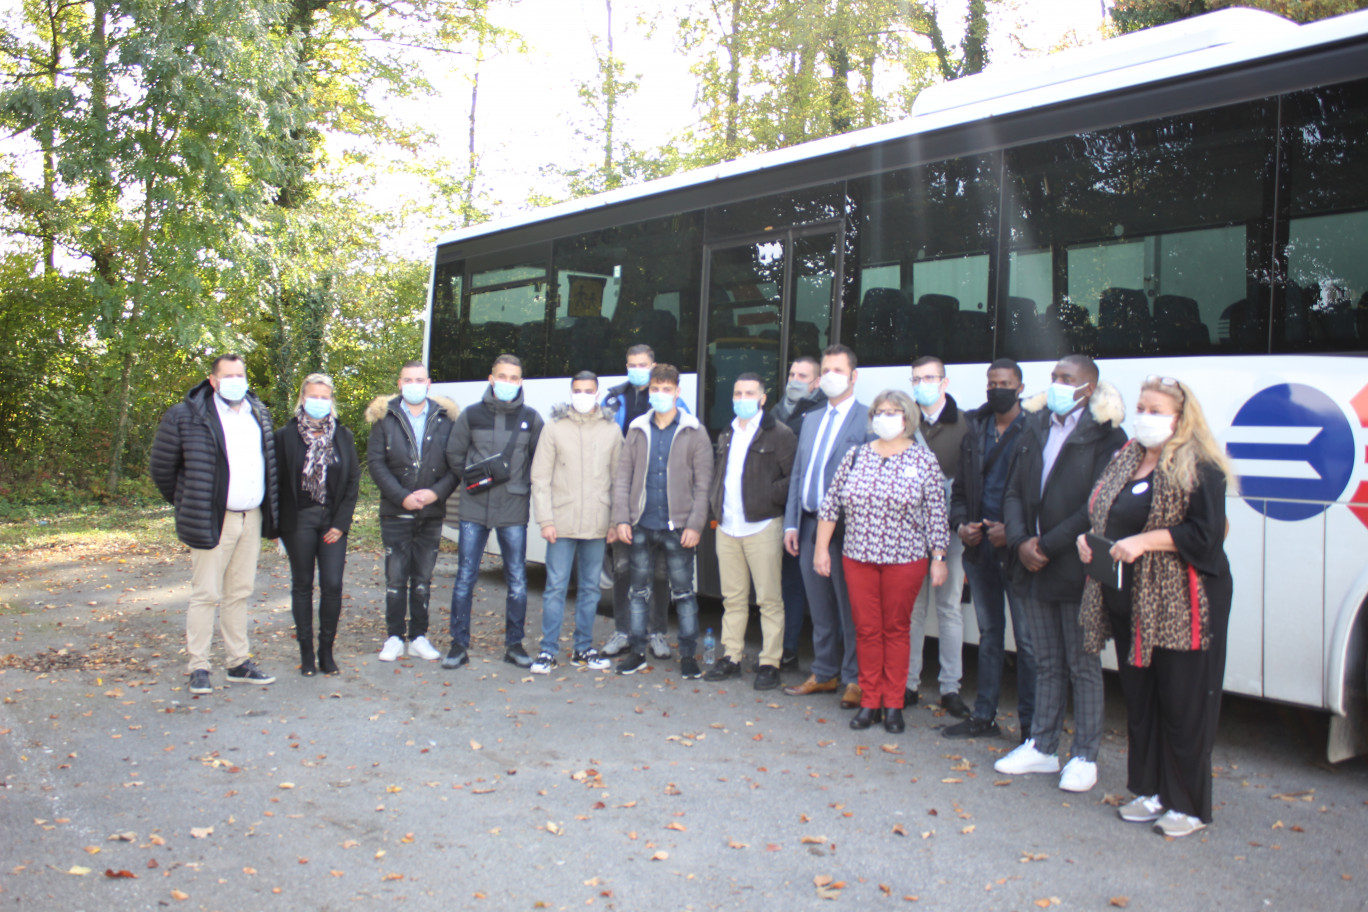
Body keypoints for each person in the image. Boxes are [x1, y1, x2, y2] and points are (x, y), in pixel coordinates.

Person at [1076, 375, 1234, 838]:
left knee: (1182, 705)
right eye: (1141, 407)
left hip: (1181, 606)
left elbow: (1208, 535)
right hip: (1130, 603)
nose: (1145, 416)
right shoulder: (1125, 457)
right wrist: (1090, 542)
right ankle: (1150, 791)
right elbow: (1105, 516)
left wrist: (1147, 541)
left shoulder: (1199, 466)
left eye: (1157, 410)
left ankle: (1186, 804)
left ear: (1182, 418)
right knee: (1142, 702)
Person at [996, 354, 1127, 793]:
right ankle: (1043, 747)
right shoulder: (1034, 426)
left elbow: (1096, 505)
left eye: (1066, 378)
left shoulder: (1107, 436)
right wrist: (1020, 542)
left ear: (1087, 388)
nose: (1055, 384)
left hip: (1075, 566)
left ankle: (1085, 755)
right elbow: (1013, 491)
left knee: (1082, 664)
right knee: (1045, 661)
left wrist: (1047, 545)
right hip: (1030, 564)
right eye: (1053, 377)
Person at [813, 390, 949, 733]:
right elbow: (831, 507)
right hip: (858, 558)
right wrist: (820, 549)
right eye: (879, 411)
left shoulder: (922, 460)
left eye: (893, 411)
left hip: (905, 559)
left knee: (896, 631)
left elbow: (936, 512)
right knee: (867, 630)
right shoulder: (856, 456)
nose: (885, 417)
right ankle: (870, 701)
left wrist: (939, 557)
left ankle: (893, 705)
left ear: (907, 418)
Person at [149, 353, 280, 694]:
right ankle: (199, 666)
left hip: (250, 517)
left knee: (239, 593)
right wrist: (188, 501)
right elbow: (162, 468)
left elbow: (268, 465)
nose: (236, 380)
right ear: (212, 380)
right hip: (212, 518)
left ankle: (238, 662)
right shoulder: (186, 416)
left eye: (241, 374)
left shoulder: (258, 413)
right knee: (206, 593)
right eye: (228, 375)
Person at [945, 358, 1036, 739]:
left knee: (1029, 642)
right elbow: (961, 490)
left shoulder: (1034, 431)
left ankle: (1033, 728)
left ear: (1020, 387)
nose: (997, 388)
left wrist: (1013, 533)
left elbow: (1040, 495)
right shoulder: (975, 429)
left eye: (1005, 382)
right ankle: (984, 715)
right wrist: (961, 525)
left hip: (1016, 552)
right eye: (992, 382)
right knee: (989, 635)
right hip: (980, 551)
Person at [783, 344, 873, 708]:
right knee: (819, 608)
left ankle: (854, 678)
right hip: (806, 526)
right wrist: (791, 523)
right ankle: (824, 672)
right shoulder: (812, 419)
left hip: (847, 532)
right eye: (827, 370)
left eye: (839, 370)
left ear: (853, 376)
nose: (832, 377)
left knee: (850, 610)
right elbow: (799, 475)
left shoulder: (867, 421)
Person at [611, 364, 713, 678]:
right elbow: (624, 476)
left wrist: (695, 525)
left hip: (679, 528)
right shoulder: (637, 427)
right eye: (655, 388)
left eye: (667, 389)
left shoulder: (695, 431)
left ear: (677, 392)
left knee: (683, 594)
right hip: (641, 524)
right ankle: (638, 652)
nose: (660, 394)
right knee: (638, 592)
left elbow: (703, 483)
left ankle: (687, 657)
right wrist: (621, 519)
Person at [445, 354, 544, 669]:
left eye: (514, 378)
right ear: (491, 378)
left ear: (520, 382)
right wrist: (476, 480)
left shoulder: (531, 417)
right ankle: (458, 645)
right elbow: (454, 454)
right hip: (474, 507)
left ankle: (514, 645)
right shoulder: (471, 415)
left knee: (517, 579)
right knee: (465, 578)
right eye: (502, 376)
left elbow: (539, 461)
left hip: (513, 509)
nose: (508, 382)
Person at [705, 373, 797, 690]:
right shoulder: (728, 431)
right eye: (737, 393)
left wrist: (767, 497)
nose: (742, 399)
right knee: (733, 598)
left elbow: (792, 478)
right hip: (727, 527)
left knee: (769, 600)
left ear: (762, 398)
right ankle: (731, 656)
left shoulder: (779, 434)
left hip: (762, 526)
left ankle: (770, 662)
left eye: (749, 393)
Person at [366, 361, 459, 664]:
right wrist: (401, 496)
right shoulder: (384, 418)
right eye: (408, 379)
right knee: (395, 578)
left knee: (422, 578)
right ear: (399, 382)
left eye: (419, 379)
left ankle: (419, 636)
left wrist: (436, 493)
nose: (414, 384)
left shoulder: (446, 419)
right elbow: (376, 464)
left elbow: (455, 465)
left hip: (431, 513)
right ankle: (394, 636)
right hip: (395, 511)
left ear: (429, 383)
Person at [529, 371, 622, 674]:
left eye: (588, 390)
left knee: (591, 589)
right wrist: (545, 519)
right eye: (577, 390)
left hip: (598, 521)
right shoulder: (554, 428)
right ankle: (548, 651)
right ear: (570, 393)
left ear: (598, 394)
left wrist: (615, 521)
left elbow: (619, 479)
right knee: (555, 587)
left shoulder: (611, 430)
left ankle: (583, 649)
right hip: (561, 521)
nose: (583, 395)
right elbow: (540, 477)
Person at [275, 373, 360, 676]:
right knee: (302, 585)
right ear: (302, 398)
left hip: (332, 521)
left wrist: (340, 522)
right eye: (314, 396)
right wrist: (276, 527)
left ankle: (327, 651)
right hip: (298, 520)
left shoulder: (343, 436)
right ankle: (306, 653)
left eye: (325, 397)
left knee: (333, 585)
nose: (319, 402)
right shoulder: (285, 436)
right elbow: (276, 483)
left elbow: (352, 482)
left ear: (331, 400)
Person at [600, 344, 681, 660]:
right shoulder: (613, 400)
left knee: (660, 573)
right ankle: (623, 632)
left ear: (654, 365)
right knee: (623, 569)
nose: (637, 369)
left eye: (643, 364)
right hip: (627, 499)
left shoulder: (676, 402)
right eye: (632, 364)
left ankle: (657, 633)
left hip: (660, 500)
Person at [904, 356, 971, 717]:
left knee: (949, 610)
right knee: (914, 611)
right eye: (916, 379)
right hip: (911, 534)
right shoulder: (903, 422)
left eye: (929, 377)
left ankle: (950, 688)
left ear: (944, 382)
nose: (922, 384)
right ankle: (908, 684)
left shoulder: (964, 424)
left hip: (950, 533)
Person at [770, 355, 825, 668]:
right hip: (777, 512)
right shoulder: (775, 412)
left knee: (806, 587)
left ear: (815, 383)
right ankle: (784, 648)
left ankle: (809, 655)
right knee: (783, 585)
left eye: (803, 375)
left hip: (806, 515)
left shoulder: (819, 414)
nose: (794, 380)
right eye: (792, 373)